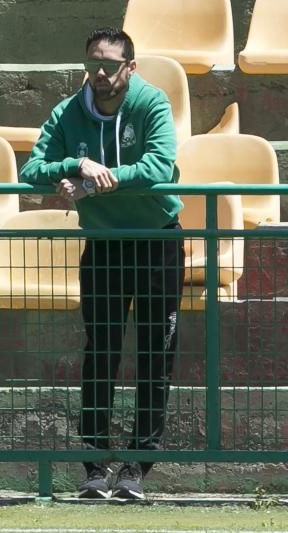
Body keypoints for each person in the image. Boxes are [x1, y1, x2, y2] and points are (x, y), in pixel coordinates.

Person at [19, 27, 185, 500]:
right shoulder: (69, 110)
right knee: (101, 353)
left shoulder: (151, 103)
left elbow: (160, 168)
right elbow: (31, 170)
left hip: (156, 242)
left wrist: (92, 184)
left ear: (130, 68)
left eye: (110, 63)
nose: (99, 71)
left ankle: (137, 465)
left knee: (155, 356)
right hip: (104, 246)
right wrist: (73, 165)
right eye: (93, 61)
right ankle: (94, 465)